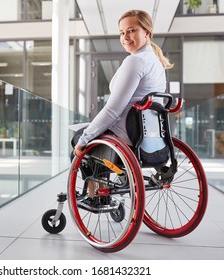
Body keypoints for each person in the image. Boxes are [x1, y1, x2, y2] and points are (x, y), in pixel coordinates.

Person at [72, 10, 173, 206]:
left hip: (127, 135)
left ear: (147, 32)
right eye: (121, 32)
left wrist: (84, 140)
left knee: (78, 140)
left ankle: (97, 196)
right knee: (91, 133)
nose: (125, 37)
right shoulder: (156, 62)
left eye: (131, 30)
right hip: (149, 135)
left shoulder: (135, 61)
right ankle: (108, 184)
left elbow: (112, 110)